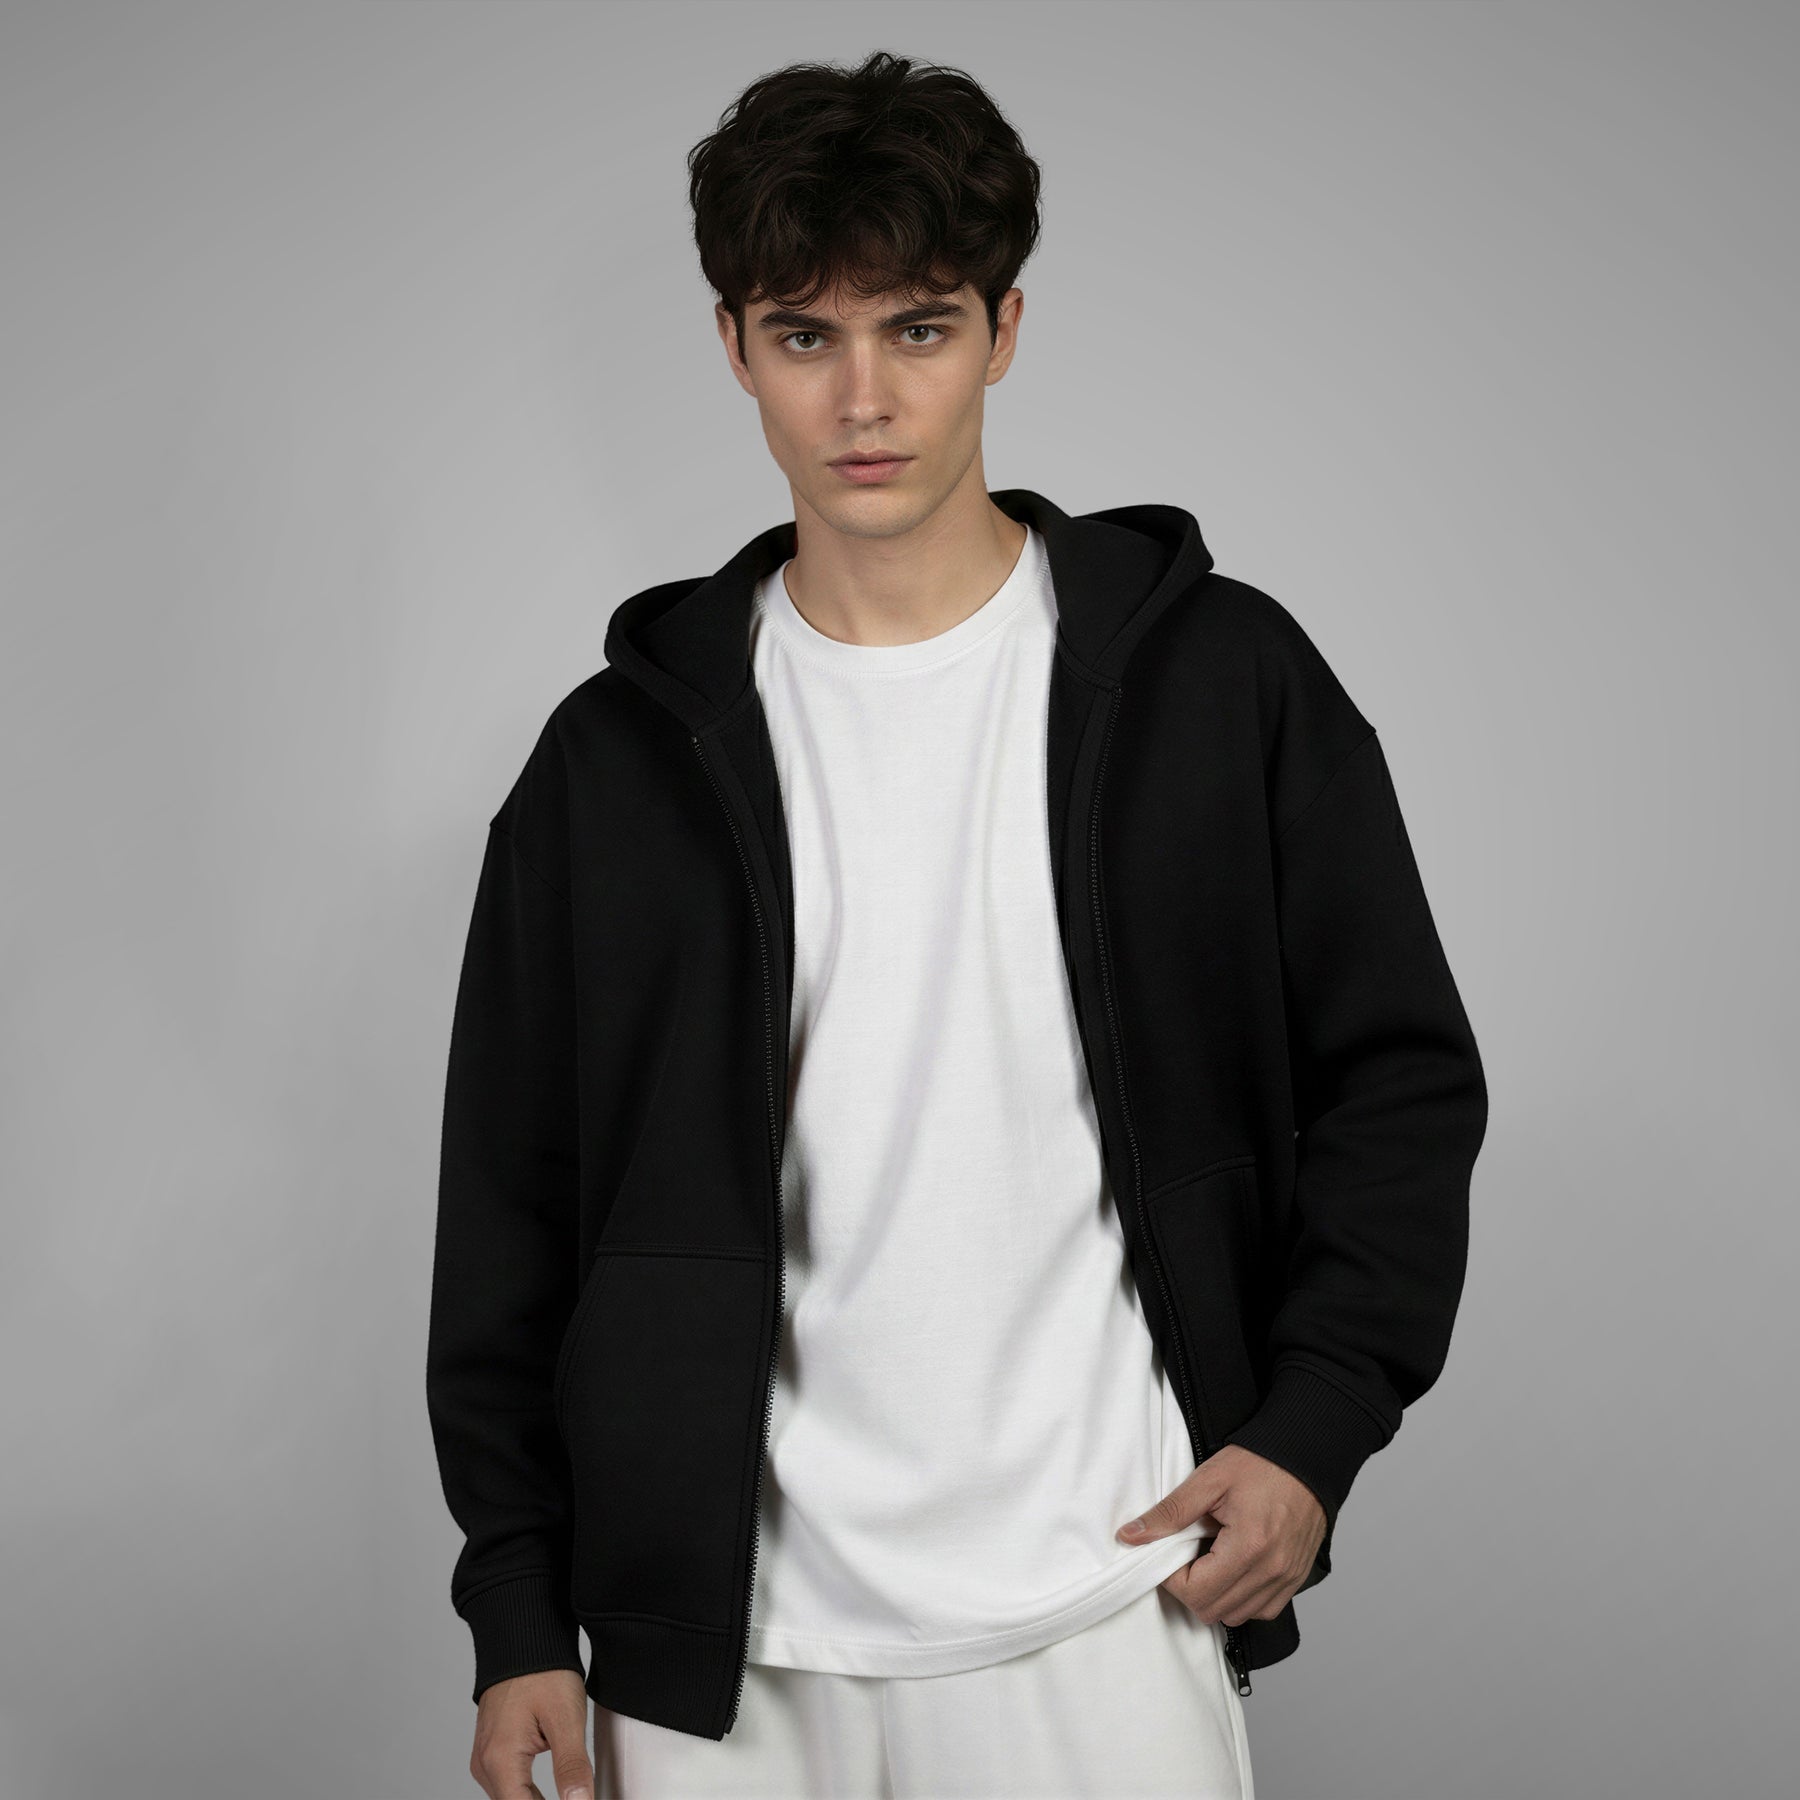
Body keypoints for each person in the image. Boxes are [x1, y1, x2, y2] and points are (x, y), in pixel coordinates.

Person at [426, 48, 1488, 1800]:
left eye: (916, 328)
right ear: (734, 347)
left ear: (1004, 330)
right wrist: (520, 1606)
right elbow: (511, 1205)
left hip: (1106, 1597)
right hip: (718, 1653)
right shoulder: (611, 766)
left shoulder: (1217, 683)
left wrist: (1313, 1429)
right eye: (805, 334)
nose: (863, 398)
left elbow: (1399, 1082)